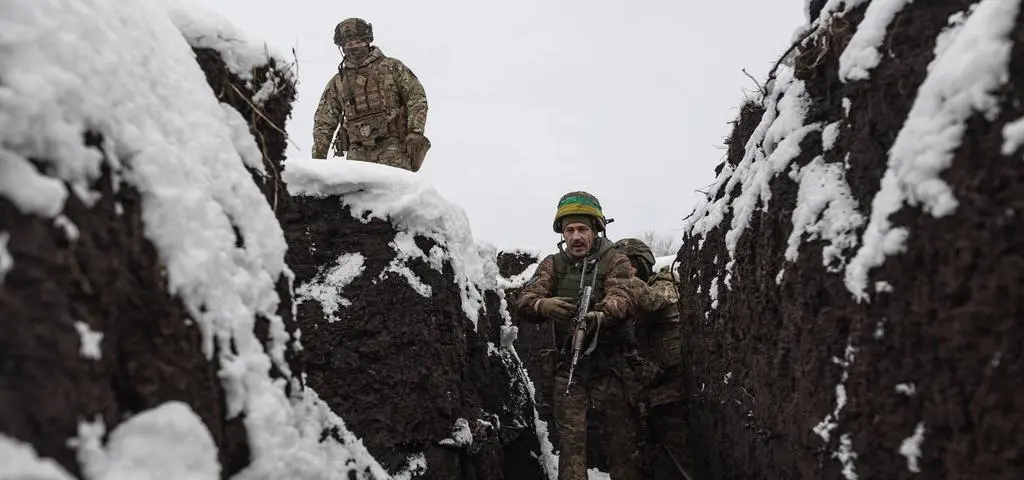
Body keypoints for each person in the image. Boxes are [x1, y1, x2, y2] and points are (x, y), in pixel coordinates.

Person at [515, 191, 640, 480]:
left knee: (622, 445)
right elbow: (525, 298)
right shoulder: (553, 264)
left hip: (611, 367)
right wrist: (541, 304)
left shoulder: (616, 260)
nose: (576, 236)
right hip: (570, 369)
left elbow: (623, 295)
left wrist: (600, 316)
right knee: (571, 448)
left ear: (596, 229)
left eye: (583, 229)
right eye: (569, 230)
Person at [612, 238, 691, 479]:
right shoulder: (628, 294)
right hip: (646, 393)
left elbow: (654, 300)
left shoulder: (667, 281)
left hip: (673, 392)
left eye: (631, 264)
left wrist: (624, 278)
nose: (628, 270)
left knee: (680, 458)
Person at [312, 18, 430, 171]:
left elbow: (416, 96)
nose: (353, 48)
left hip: (393, 150)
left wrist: (415, 132)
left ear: (367, 42)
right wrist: (317, 161)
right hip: (357, 154)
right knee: (358, 195)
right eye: (348, 44)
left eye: (357, 42)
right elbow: (323, 121)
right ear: (342, 47)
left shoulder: (392, 67)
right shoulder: (338, 82)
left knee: (395, 193)